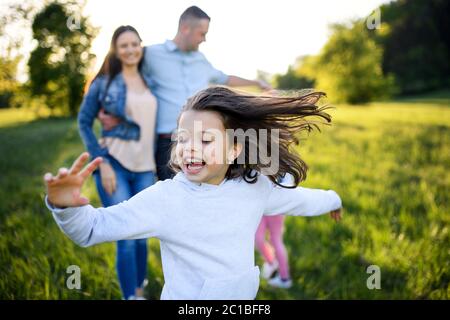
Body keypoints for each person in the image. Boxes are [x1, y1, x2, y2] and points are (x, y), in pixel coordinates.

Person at [44, 87, 342, 300]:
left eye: (205, 139)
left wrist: (333, 199)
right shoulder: (165, 199)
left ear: (235, 148)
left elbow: (300, 199)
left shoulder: (254, 188)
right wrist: (66, 207)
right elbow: (93, 229)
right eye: (183, 138)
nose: (190, 148)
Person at [98, 6, 272, 181]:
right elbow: (119, 72)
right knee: (175, 198)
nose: (204, 39)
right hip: (168, 142)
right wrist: (105, 109)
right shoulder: (151, 54)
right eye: (201, 33)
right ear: (185, 29)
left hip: (205, 140)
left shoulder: (201, 60)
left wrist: (256, 83)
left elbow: (225, 78)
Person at [77, 25, 157, 300]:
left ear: (141, 46)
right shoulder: (103, 83)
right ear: (115, 49)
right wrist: (103, 163)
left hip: (146, 168)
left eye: (135, 43)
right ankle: (130, 297)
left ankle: (139, 288)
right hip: (115, 166)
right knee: (125, 235)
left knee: (142, 233)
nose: (131, 49)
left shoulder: (150, 81)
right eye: (124, 45)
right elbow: (84, 123)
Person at [255, 173, 295, 289]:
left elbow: (288, 183)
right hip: (260, 206)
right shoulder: (254, 158)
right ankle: (271, 262)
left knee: (275, 240)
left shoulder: (281, 163)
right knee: (258, 239)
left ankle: (285, 278)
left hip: (276, 207)